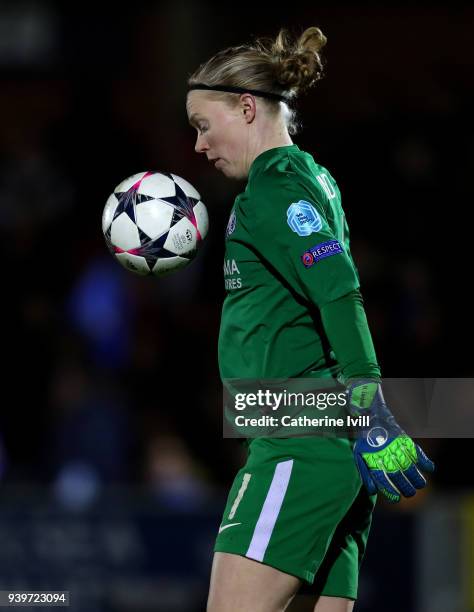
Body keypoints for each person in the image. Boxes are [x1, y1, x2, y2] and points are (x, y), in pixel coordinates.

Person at [186, 27, 434, 612]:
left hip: (299, 444)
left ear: (246, 108)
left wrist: (371, 405)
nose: (198, 145)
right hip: (331, 445)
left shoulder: (272, 189)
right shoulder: (311, 177)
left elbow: (340, 292)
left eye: (201, 125)